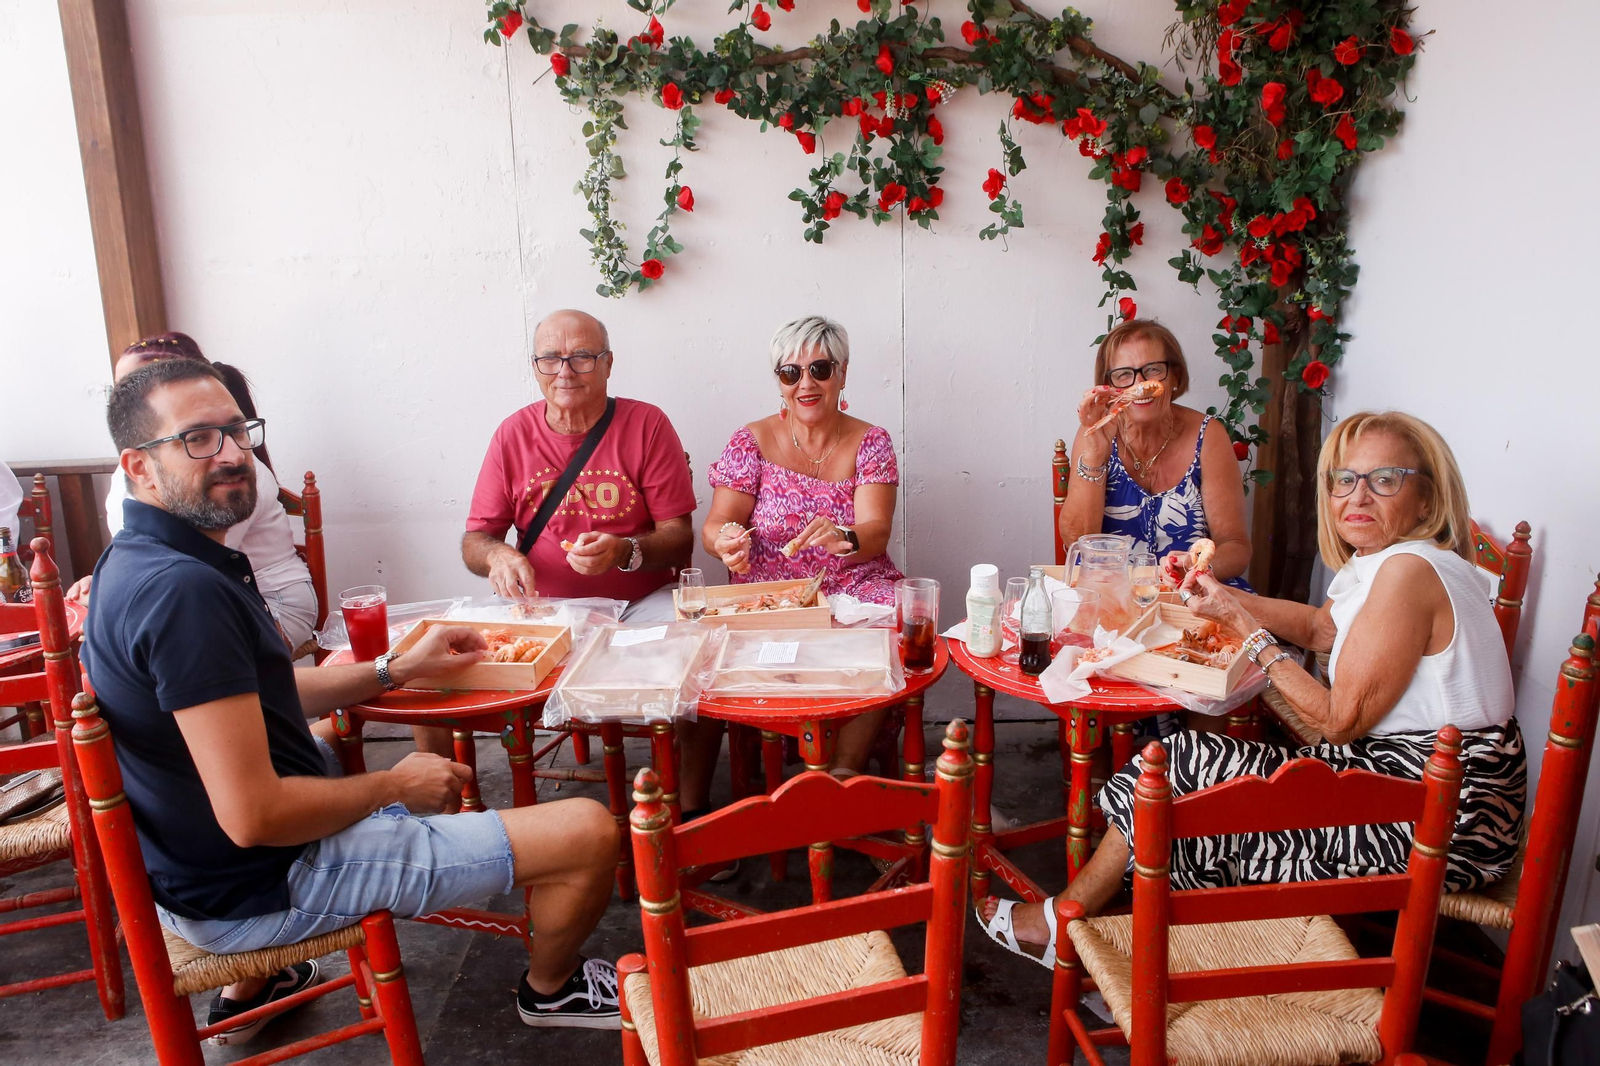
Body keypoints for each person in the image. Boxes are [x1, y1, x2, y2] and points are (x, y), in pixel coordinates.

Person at [81, 359, 622, 1041]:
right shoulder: (183, 593)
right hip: (265, 882)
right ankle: (552, 987)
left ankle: (262, 985)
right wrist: (391, 784)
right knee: (589, 830)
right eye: (196, 439)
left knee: (322, 745)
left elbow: (258, 691)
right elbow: (254, 815)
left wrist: (394, 670)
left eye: (237, 431)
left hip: (202, 870)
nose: (230, 454)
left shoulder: (135, 562)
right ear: (137, 466)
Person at [979, 409, 1526, 964]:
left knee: (1175, 768)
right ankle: (1126, 938)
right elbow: (1320, 628)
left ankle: (1070, 926)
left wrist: (1245, 629)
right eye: (1345, 480)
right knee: (1187, 778)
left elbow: (1338, 721)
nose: (1358, 497)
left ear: (1428, 501)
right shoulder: (1382, 562)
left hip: (1441, 818)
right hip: (1406, 785)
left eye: (1384, 480)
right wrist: (1219, 592)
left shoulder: (1408, 571)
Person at [692, 315, 903, 802]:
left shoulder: (871, 441)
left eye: (820, 369)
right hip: (770, 592)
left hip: (852, 584)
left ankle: (836, 785)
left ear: (843, 374)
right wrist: (726, 541)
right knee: (703, 643)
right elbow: (716, 524)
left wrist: (844, 537)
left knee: (890, 626)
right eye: (791, 373)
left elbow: (875, 531)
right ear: (779, 383)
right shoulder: (751, 441)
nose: (806, 383)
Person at [69, 333, 319, 656]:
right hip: (198, 595)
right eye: (121, 388)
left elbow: (199, 564)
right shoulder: (131, 471)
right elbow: (143, 554)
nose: (231, 454)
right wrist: (105, 581)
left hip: (268, 597)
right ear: (137, 465)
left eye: (144, 381)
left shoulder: (234, 480)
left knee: (183, 644)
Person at [462, 309, 696, 619]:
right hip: (540, 607)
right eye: (550, 359)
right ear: (535, 367)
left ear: (608, 364)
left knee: (681, 652)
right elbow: (475, 540)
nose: (565, 372)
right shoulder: (512, 434)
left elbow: (679, 537)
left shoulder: (647, 425)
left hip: (640, 604)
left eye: (582, 357)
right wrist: (495, 554)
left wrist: (624, 551)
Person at [1058, 319, 1251, 589]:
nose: (1141, 384)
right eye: (1124, 374)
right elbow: (1077, 542)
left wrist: (1195, 570)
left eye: (1153, 370)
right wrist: (1094, 456)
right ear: (1109, 386)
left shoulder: (1208, 435)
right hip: (1113, 595)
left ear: (1175, 377)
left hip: (1194, 593)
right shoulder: (1095, 433)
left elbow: (1236, 545)